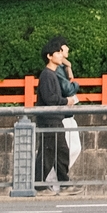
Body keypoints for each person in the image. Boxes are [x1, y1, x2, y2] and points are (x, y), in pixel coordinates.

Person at [34, 38, 78, 193]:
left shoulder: (51, 74)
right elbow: (50, 98)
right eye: (58, 53)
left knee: (57, 151)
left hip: (53, 118)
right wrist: (67, 101)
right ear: (49, 56)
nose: (61, 56)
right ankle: (41, 184)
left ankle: (59, 183)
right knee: (50, 152)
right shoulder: (47, 75)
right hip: (49, 119)